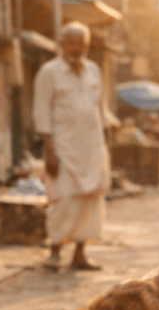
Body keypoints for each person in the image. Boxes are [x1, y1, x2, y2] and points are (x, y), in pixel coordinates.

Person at [33, 21, 110, 272]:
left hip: (92, 148)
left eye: (81, 43)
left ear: (87, 46)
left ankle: (80, 254)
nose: (76, 48)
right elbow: (41, 113)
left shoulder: (94, 71)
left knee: (90, 201)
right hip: (62, 149)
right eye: (72, 42)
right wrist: (49, 152)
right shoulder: (49, 72)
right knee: (62, 200)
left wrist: (105, 146)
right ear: (62, 44)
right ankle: (55, 253)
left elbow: (101, 110)